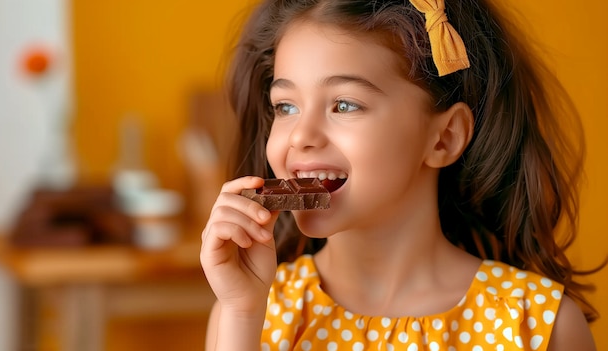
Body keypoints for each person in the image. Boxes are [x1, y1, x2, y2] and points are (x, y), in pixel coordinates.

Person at [200, 0, 602, 350]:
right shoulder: (250, 308)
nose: (301, 137)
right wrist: (242, 313)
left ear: (443, 138)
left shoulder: (540, 326)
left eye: (344, 105)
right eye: (286, 107)